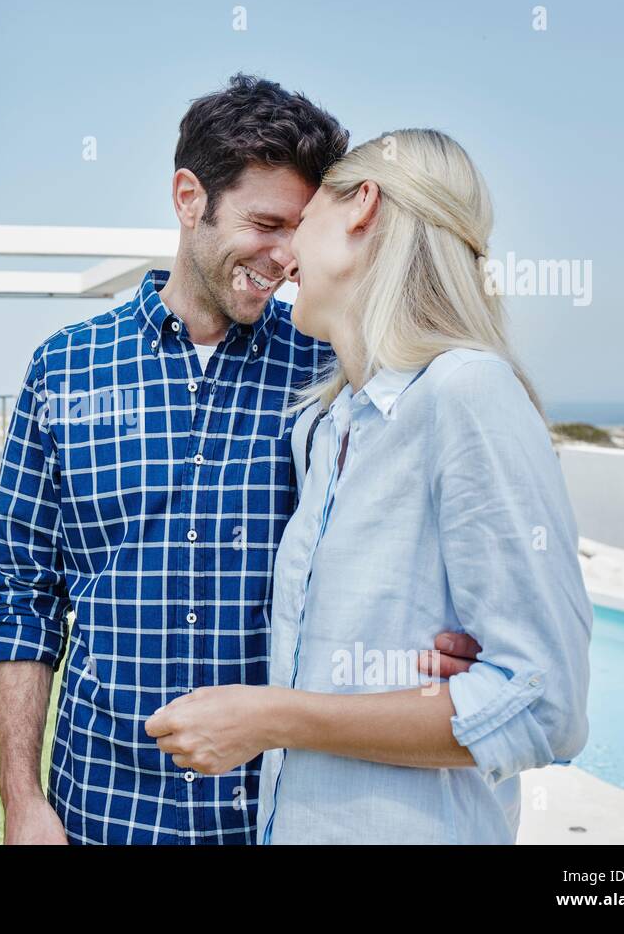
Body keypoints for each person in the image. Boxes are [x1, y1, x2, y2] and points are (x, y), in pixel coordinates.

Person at [0, 77, 483, 845]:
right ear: (190, 198)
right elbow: (24, 596)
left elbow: (400, 542)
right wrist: (22, 798)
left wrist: (446, 637)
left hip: (279, 809)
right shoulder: (64, 369)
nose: (286, 257)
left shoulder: (331, 370)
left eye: (301, 228)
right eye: (265, 223)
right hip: (99, 806)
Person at [147, 129, 592, 843]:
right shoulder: (330, 427)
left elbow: (544, 707)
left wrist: (271, 717)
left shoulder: (467, 393)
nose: (283, 258)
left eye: (301, 220)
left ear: (362, 210)